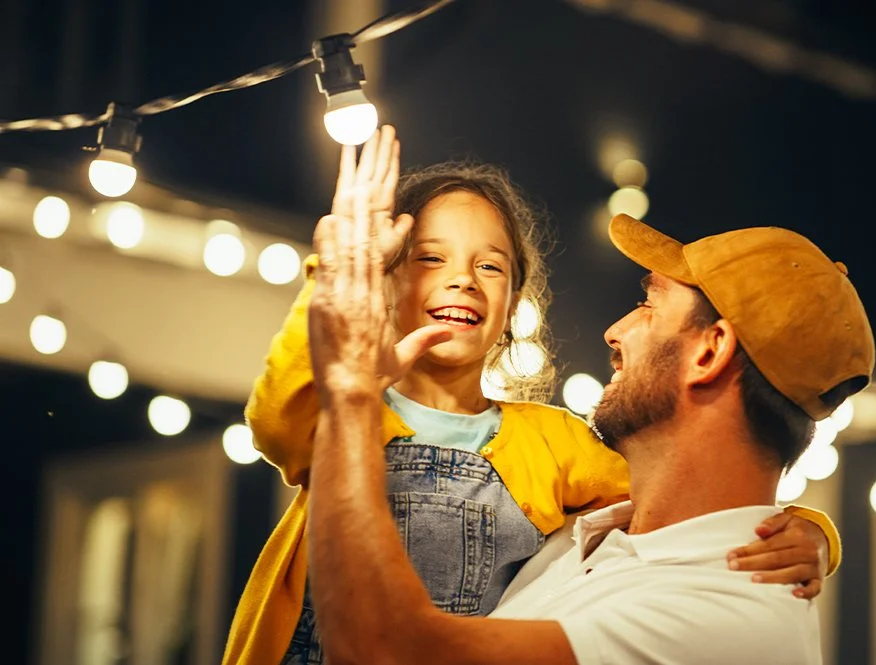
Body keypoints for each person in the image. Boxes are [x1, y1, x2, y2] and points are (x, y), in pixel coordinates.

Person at [221, 126, 842, 665]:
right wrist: (338, 281)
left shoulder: (551, 444)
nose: (461, 277)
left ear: (514, 304)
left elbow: (681, 489)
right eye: (429, 258)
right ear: (385, 285)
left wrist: (802, 532)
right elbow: (276, 418)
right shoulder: (337, 411)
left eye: (489, 266)